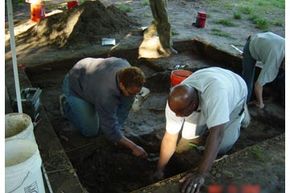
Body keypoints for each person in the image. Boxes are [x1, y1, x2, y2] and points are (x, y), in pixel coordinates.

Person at [153, 67, 250, 193]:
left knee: (223, 145)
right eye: (175, 112)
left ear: (193, 104)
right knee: (188, 136)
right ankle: (213, 119)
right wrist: (160, 169)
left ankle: (242, 115)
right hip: (210, 84)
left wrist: (200, 174)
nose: (177, 116)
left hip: (235, 90)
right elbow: (170, 136)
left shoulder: (216, 95)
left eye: (181, 112)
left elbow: (218, 134)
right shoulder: (177, 101)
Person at [60, 57, 148, 158]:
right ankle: (66, 105)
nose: (132, 96)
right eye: (130, 93)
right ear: (121, 84)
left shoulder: (128, 70)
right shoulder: (106, 94)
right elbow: (109, 126)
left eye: (136, 93)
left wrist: (117, 134)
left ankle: (92, 106)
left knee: (124, 100)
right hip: (76, 86)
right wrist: (134, 147)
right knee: (91, 131)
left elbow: (124, 108)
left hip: (91, 82)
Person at [242, 32, 285, 109]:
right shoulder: (273, 62)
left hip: (263, 38)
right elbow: (258, 85)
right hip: (251, 47)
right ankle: (244, 104)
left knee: (282, 75)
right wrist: (260, 103)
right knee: (248, 78)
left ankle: (274, 94)